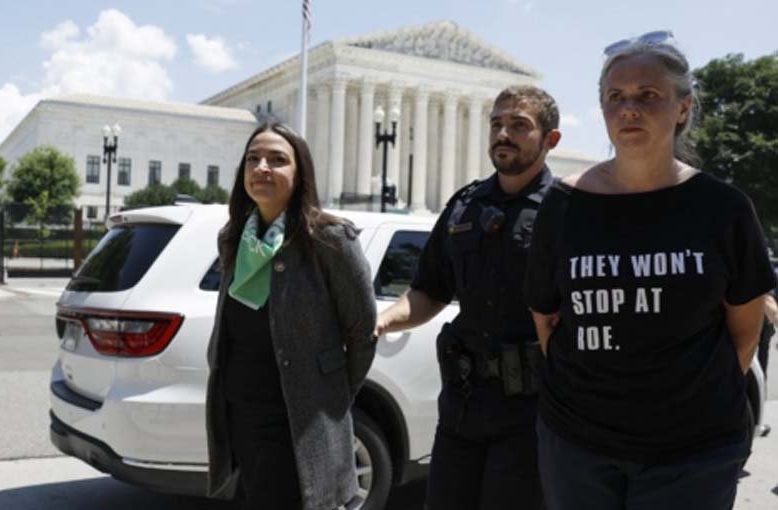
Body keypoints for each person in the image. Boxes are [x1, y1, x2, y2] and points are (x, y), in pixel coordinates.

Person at [524, 31, 777, 510]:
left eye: (648, 95)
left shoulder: (723, 208)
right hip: (577, 446)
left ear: (683, 107)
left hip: (693, 453)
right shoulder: (563, 205)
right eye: (615, 97)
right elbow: (547, 320)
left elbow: (744, 332)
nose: (629, 109)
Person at [375, 85, 561, 510]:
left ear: (551, 139)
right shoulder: (465, 205)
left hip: (532, 414)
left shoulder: (567, 211)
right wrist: (383, 321)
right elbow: (429, 291)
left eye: (519, 125)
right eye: (496, 124)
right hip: (463, 407)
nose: (503, 134)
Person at [205, 122, 377, 510]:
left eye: (277, 159)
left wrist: (327, 396)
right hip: (242, 416)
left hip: (299, 422)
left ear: (300, 174)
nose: (262, 167)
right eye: (253, 159)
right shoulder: (233, 237)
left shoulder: (331, 240)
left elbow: (362, 333)